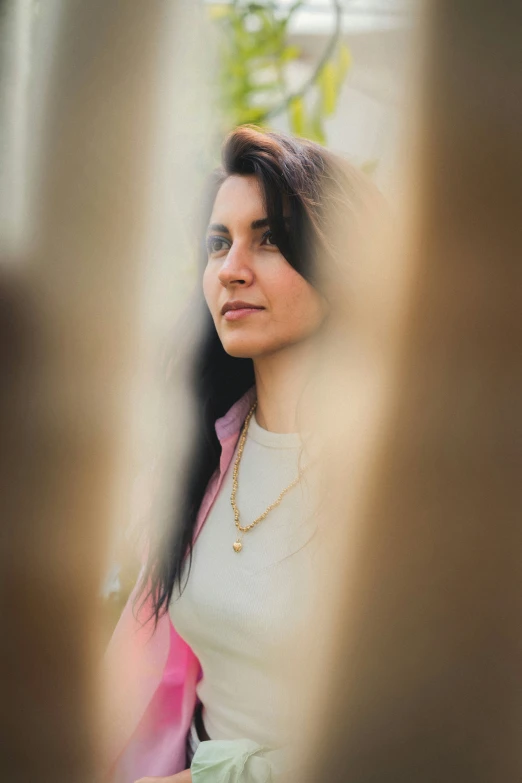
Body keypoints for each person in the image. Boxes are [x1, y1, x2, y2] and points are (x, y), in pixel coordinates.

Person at [104, 126, 378, 783]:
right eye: (218, 243)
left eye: (270, 238)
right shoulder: (201, 457)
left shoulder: (394, 479)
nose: (231, 268)